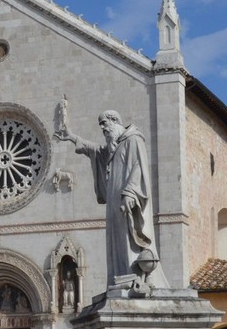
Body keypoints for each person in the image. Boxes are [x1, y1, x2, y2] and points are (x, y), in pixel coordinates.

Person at [57, 111, 168, 291]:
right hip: (115, 203)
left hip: (128, 201)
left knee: (129, 239)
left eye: (104, 123)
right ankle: (122, 278)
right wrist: (72, 137)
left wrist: (130, 193)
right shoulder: (114, 147)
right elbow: (96, 151)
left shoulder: (133, 140)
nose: (102, 128)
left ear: (115, 121)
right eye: (100, 124)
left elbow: (138, 166)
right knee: (117, 243)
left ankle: (135, 280)